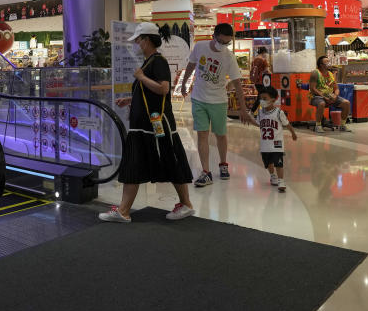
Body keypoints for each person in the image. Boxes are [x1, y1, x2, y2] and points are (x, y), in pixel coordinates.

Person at [99, 22, 195, 222]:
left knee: (166, 159)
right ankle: (124, 210)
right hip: (146, 125)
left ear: (147, 40)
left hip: (154, 124)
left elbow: (163, 88)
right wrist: (131, 98)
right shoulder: (149, 61)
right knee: (141, 162)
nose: (136, 43)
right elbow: (150, 91)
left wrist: (141, 77)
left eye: (139, 39)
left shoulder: (156, 62)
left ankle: (184, 204)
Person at [180, 23, 254, 187]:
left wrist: (243, 108)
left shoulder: (229, 57)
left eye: (227, 43)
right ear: (214, 36)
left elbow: (237, 84)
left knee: (221, 134)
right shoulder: (200, 47)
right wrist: (184, 83)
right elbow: (191, 65)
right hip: (199, 98)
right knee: (202, 134)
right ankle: (206, 172)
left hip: (219, 101)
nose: (224, 46)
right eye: (222, 42)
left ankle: (223, 164)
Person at [256, 86, 297, 190]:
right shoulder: (260, 113)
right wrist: (248, 118)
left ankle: (281, 181)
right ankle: (272, 176)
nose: (262, 101)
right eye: (261, 99)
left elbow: (287, 124)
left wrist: (293, 133)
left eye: (265, 99)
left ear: (273, 100)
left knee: (279, 163)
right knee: (269, 163)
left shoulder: (279, 112)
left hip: (277, 144)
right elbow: (257, 124)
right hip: (265, 144)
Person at [309, 55, 352, 132]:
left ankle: (342, 125)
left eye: (329, 61)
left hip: (330, 96)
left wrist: (335, 96)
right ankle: (318, 126)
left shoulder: (331, 74)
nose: (329, 63)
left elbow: (336, 88)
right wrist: (324, 97)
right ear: (321, 65)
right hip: (316, 96)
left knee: (346, 103)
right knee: (321, 104)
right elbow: (313, 89)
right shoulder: (315, 73)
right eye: (327, 62)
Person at [249, 46, 271, 113]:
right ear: (263, 52)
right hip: (262, 81)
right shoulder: (263, 60)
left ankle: (254, 111)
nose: (266, 54)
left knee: (261, 96)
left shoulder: (254, 60)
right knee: (263, 96)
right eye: (265, 53)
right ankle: (253, 111)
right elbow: (267, 71)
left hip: (256, 81)